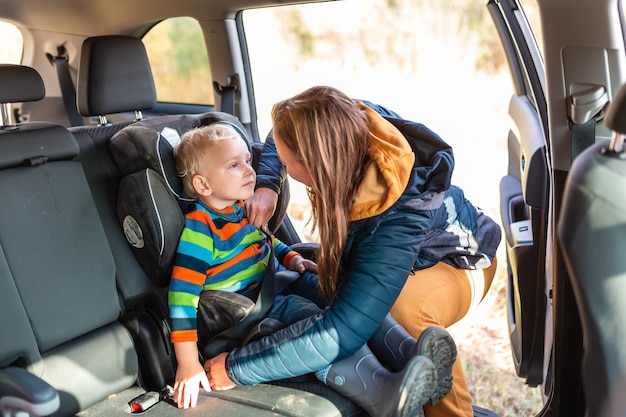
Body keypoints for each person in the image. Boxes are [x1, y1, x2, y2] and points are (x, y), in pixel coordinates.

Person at [208, 86, 501, 417]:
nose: (284, 165)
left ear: (316, 165)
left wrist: (236, 368)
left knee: (401, 308)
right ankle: (406, 369)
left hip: (461, 262)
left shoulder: (397, 216)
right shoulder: (348, 124)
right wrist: (266, 185)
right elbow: (282, 134)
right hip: (411, 254)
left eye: (289, 165)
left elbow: (341, 331)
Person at [168, 122, 453, 417]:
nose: (250, 171)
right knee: (314, 322)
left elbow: (265, 241)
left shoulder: (239, 209)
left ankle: (411, 352)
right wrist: (188, 363)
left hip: (276, 285)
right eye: (234, 165)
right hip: (250, 311)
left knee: (346, 296)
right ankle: (381, 392)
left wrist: (292, 258)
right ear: (203, 185)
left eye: (248, 162)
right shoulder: (200, 230)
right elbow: (182, 297)